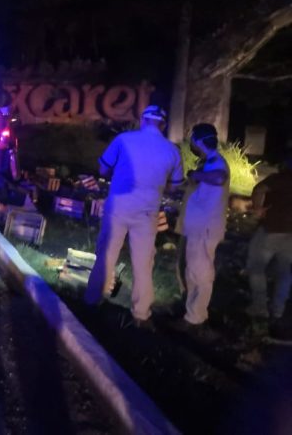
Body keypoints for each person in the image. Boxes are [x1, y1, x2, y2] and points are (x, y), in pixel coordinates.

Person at [85, 105, 184, 328]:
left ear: (142, 121)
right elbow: (174, 186)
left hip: (118, 207)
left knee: (106, 255)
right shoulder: (172, 150)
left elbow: (103, 170)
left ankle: (92, 301)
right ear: (163, 125)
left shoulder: (123, 140)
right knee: (143, 262)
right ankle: (141, 314)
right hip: (147, 212)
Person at [175, 123, 229, 328]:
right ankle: (191, 314)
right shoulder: (207, 162)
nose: (191, 144)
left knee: (200, 273)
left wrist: (196, 175)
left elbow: (219, 177)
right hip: (197, 227)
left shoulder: (216, 161)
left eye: (192, 140)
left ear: (198, 141)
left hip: (205, 228)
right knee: (192, 272)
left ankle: (195, 318)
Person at [246, 155, 292, 336]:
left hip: (271, 231)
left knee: (256, 268)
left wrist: (258, 209)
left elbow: (259, 189)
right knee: (285, 271)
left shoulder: (280, 178)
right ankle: (278, 309)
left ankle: (260, 307)